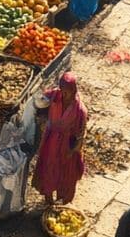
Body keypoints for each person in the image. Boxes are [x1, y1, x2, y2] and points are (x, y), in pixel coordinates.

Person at [31, 72, 88, 205]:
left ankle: (62, 202)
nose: (63, 94)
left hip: (68, 144)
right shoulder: (54, 95)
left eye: (67, 91)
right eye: (62, 90)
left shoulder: (80, 110)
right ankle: (48, 199)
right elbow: (39, 100)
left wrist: (73, 149)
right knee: (48, 168)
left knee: (66, 173)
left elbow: (81, 133)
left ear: (73, 90)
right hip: (51, 141)